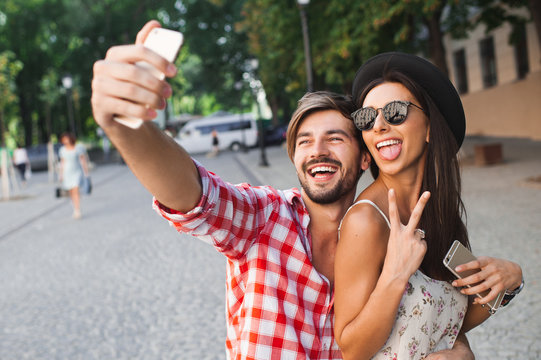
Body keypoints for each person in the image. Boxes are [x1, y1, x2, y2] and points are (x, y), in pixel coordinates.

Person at [90, 21, 522, 359]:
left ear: (364, 156)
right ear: (293, 158)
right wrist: (128, 127)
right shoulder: (264, 219)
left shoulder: (430, 217)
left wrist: (501, 295)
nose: (318, 151)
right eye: (304, 141)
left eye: (336, 137)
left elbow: (451, 315)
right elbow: (192, 194)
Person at [334, 52, 524, 360]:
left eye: (395, 112)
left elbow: (452, 317)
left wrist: (507, 283)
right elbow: (351, 349)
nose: (379, 126)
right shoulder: (366, 220)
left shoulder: (441, 213)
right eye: (367, 118)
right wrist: (395, 275)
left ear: (429, 127)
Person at [58, 132, 89, 219]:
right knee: (71, 192)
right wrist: (61, 175)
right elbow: (62, 163)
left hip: (77, 172)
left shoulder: (77, 148)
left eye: (66, 139)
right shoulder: (62, 150)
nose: (65, 141)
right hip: (67, 173)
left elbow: (83, 160)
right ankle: (74, 208)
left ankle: (78, 209)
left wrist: (86, 172)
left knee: (76, 190)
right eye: (63, 139)